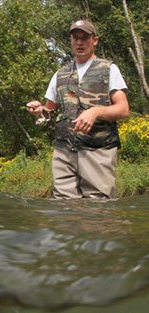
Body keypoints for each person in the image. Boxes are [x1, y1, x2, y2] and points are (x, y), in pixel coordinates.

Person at [27, 19, 130, 199]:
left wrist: (96, 111)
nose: (80, 42)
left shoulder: (109, 69)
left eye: (85, 38)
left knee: (97, 212)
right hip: (64, 153)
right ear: (71, 41)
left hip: (98, 151)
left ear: (94, 40)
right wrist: (39, 110)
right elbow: (48, 112)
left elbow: (123, 109)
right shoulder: (60, 74)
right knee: (64, 210)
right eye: (76, 38)